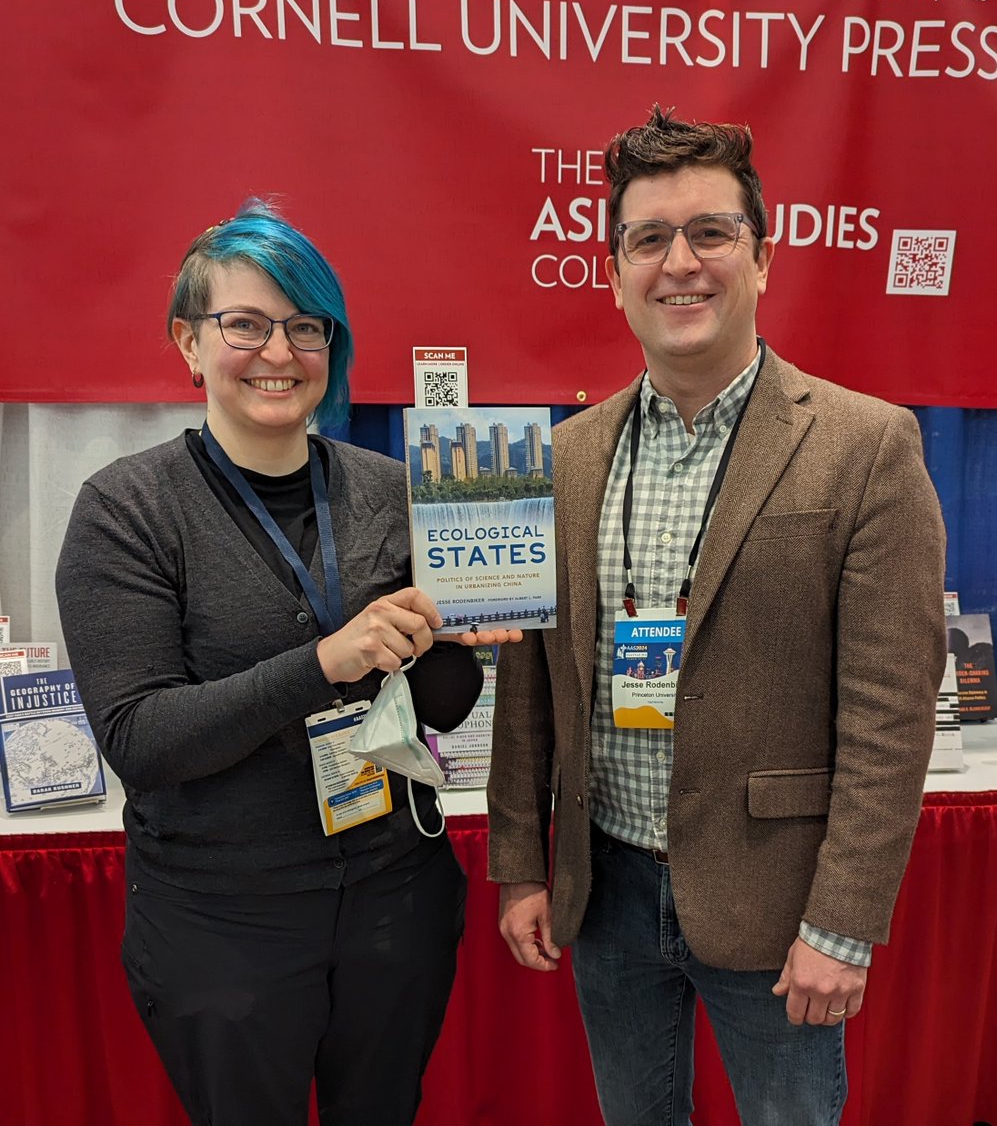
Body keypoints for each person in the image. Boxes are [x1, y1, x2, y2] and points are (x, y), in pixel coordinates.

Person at [486, 107, 946, 1126]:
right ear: (612, 274)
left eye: (709, 233)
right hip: (602, 896)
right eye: (647, 239)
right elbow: (529, 692)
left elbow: (888, 719)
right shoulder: (560, 460)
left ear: (761, 259)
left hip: (778, 907)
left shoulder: (867, 448)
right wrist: (520, 864)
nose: (678, 264)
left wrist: (842, 926)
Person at [56, 200, 520, 1126]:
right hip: (223, 919)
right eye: (245, 323)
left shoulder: (395, 487)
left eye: (305, 326)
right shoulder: (126, 509)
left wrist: (460, 641)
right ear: (189, 343)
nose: (279, 350)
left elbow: (439, 708)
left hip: (396, 893)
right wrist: (322, 662)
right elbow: (141, 738)